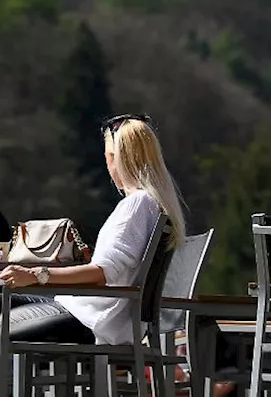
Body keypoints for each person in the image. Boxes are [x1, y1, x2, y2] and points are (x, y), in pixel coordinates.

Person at [0, 114, 186, 345]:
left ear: (116, 158)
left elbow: (101, 273)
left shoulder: (137, 205)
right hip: (95, 314)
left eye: (108, 156)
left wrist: (36, 274)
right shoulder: (152, 205)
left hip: (90, 319)